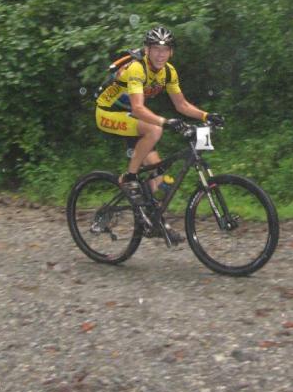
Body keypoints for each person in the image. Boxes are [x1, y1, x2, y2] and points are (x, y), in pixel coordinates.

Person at [95, 25, 223, 241]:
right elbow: (137, 108)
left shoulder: (169, 72)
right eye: (156, 49)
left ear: (171, 52)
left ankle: (154, 223)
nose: (160, 54)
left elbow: (181, 104)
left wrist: (206, 116)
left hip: (132, 118)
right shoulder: (137, 69)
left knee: (161, 180)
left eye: (165, 49)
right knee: (154, 129)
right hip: (109, 112)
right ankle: (130, 178)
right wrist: (166, 122)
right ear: (147, 50)